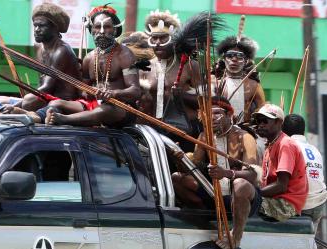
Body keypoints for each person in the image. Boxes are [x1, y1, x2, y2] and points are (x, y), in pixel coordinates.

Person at [214, 103, 308, 249]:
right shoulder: (270, 144)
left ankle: (236, 237)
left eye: (265, 121)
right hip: (273, 198)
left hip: (285, 204)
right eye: (258, 121)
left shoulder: (286, 144)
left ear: (279, 123)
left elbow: (281, 186)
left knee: (241, 186)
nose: (260, 125)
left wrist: (252, 192)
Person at [45, 4, 140, 128]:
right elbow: (82, 89)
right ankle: (44, 117)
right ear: (91, 30)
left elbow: (135, 91)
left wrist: (113, 93)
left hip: (121, 107)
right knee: (56, 103)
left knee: (105, 110)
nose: (101, 31)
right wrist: (87, 92)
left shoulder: (125, 54)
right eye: (97, 27)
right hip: (94, 103)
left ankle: (63, 120)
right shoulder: (89, 58)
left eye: (106, 27)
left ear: (115, 30)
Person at [0, 2, 81, 113]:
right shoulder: (38, 47)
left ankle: (17, 111)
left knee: (29, 100)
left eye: (42, 25)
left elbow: (46, 89)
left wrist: (17, 106)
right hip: (42, 99)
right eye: (35, 25)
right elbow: (41, 86)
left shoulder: (62, 50)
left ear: (55, 28)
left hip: (60, 102)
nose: (37, 29)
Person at [171, 97, 259, 209]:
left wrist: (226, 173)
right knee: (177, 178)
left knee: (240, 184)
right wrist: (179, 161)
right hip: (214, 193)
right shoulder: (204, 136)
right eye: (208, 114)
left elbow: (253, 174)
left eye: (217, 113)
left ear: (229, 115)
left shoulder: (245, 137)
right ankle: (206, 215)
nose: (212, 118)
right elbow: (194, 169)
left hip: (239, 196)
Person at [140, 10, 202, 152]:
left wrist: (183, 96)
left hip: (186, 129)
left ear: (174, 39)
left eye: (163, 38)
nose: (157, 43)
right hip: (154, 131)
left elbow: (206, 102)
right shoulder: (145, 67)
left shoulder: (190, 66)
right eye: (154, 38)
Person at [282, 113, 327, 249]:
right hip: (319, 202)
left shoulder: (287, 146)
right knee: (310, 239)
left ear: (283, 130)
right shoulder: (314, 149)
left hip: (302, 204)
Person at [214, 35, 265, 124]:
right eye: (230, 55)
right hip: (218, 130)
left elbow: (262, 109)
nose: (234, 59)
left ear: (246, 61)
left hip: (244, 130)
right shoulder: (216, 83)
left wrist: (253, 117)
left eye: (239, 56)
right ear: (224, 58)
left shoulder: (254, 86)